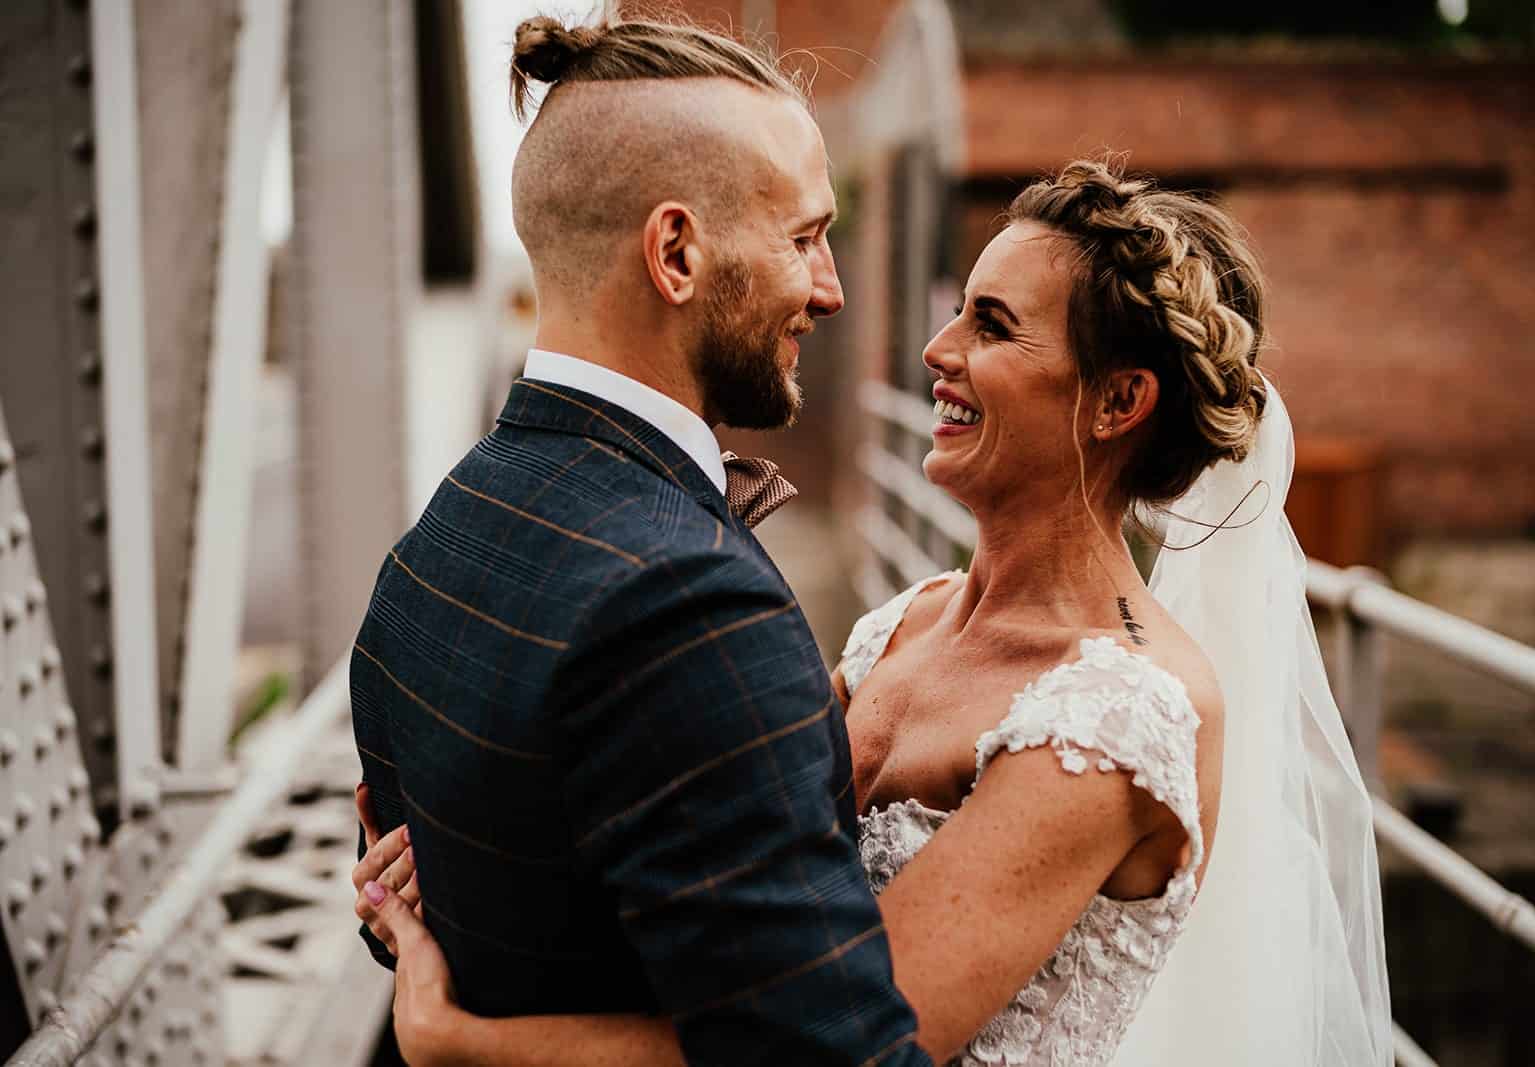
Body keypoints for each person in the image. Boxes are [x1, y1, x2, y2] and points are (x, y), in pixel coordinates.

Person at [355, 23, 1394, 1067]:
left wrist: (469, 1041)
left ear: (1117, 399)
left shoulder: (1118, 717)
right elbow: (711, 846)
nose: (936, 351)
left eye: (990, 326)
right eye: (957, 313)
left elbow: (843, 1034)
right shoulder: (908, 620)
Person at [347, 14, 931, 1067]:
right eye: (803, 235)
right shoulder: (691, 607)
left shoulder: (446, 527)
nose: (830, 286)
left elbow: (406, 896)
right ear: (675, 253)